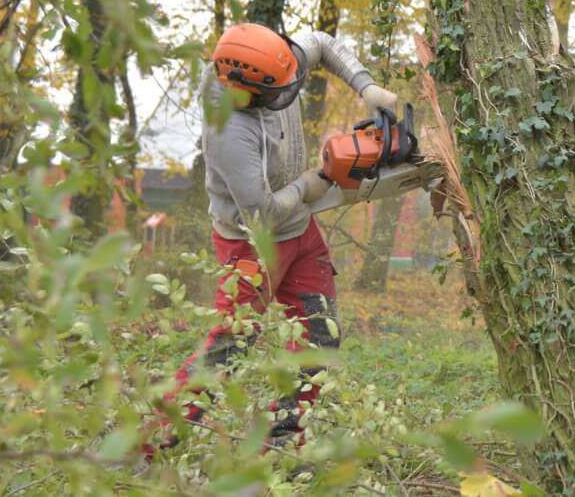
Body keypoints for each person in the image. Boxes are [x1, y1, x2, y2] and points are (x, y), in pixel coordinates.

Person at [146, 23, 396, 456]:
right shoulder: (230, 132)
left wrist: (366, 86)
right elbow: (259, 214)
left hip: (302, 234)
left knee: (320, 332)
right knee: (231, 344)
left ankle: (283, 440)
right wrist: (311, 183)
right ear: (243, 91)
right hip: (252, 244)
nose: (289, 93)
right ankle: (153, 442)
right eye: (278, 92)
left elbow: (320, 43)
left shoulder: (272, 62)